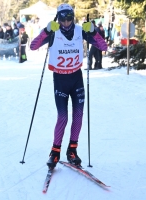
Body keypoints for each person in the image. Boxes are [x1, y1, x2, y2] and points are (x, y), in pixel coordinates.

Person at [30, 3, 107, 170]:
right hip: (60, 79)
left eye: (69, 18)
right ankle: (55, 152)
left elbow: (103, 47)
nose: (66, 22)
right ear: (58, 18)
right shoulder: (53, 32)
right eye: (62, 18)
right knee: (63, 117)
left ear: (73, 16)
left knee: (78, 116)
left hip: (76, 78)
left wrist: (94, 31)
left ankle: (72, 150)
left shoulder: (81, 30)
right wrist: (46, 30)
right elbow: (33, 46)